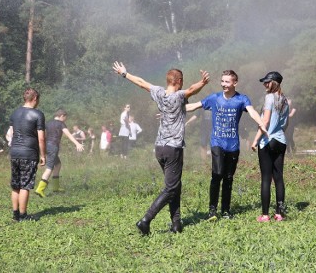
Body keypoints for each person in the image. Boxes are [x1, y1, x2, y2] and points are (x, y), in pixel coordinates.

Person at [112, 61, 209, 235]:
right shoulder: (178, 96)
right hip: (173, 148)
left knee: (174, 185)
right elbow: (192, 90)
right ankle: (146, 220)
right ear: (178, 80)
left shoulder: (158, 93)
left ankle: (176, 223)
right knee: (171, 188)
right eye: (182, 80)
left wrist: (125, 73)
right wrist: (202, 82)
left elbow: (141, 82)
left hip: (160, 147)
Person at [187, 70, 268, 220]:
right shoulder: (214, 98)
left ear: (235, 83)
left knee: (229, 177)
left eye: (227, 82)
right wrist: (170, 108)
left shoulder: (242, 99)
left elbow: (252, 112)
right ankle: (212, 210)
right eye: (222, 81)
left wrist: (261, 123)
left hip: (233, 145)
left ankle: (225, 210)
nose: (223, 84)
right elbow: (193, 106)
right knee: (217, 174)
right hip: (217, 141)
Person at [251, 71, 289, 222]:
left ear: (274, 83)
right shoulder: (285, 100)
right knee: (279, 178)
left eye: (267, 82)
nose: (265, 84)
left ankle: (265, 215)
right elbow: (286, 123)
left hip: (267, 140)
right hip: (281, 140)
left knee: (266, 178)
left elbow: (265, 122)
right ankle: (280, 213)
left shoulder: (269, 98)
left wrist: (255, 141)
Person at [7, 88, 46, 222]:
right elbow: (41, 138)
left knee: (16, 185)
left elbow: (10, 134)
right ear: (35, 98)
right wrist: (43, 155)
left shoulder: (15, 113)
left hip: (14, 152)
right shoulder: (38, 114)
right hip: (28, 153)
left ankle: (15, 214)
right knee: (25, 185)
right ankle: (23, 215)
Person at [35, 109, 84, 198]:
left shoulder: (48, 123)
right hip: (53, 147)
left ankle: (56, 187)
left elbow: (43, 136)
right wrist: (77, 143)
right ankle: (40, 189)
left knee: (58, 165)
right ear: (62, 116)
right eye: (65, 118)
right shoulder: (61, 123)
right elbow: (68, 135)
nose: (65, 120)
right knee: (49, 167)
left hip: (47, 146)